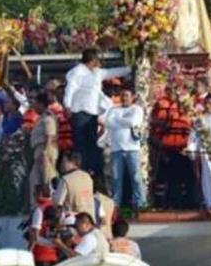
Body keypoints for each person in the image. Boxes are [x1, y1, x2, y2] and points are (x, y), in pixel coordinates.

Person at [63, 49, 131, 186]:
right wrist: (67, 105)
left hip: (92, 113)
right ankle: (81, 172)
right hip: (80, 112)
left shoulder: (96, 73)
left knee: (92, 144)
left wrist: (129, 69)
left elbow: (110, 72)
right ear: (92, 60)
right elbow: (70, 88)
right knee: (81, 145)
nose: (98, 63)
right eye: (97, 60)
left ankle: (93, 172)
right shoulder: (77, 72)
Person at [103, 88, 146, 209]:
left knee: (136, 177)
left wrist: (117, 121)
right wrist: (123, 122)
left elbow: (133, 122)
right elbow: (107, 123)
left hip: (132, 148)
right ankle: (115, 204)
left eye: (127, 95)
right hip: (116, 149)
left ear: (132, 97)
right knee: (116, 178)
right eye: (122, 95)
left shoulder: (137, 109)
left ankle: (140, 203)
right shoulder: (113, 109)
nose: (124, 98)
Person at [27, 92, 59, 206]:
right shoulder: (41, 117)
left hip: (45, 150)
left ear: (41, 104)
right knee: (35, 181)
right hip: (39, 151)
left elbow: (49, 135)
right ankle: (36, 206)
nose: (33, 106)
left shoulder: (48, 117)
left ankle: (51, 207)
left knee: (48, 181)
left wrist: (45, 152)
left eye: (35, 103)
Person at [53, 151, 97, 217]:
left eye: (64, 161)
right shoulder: (88, 177)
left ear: (71, 162)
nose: (62, 165)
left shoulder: (66, 180)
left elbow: (57, 202)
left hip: (73, 220)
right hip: (89, 218)